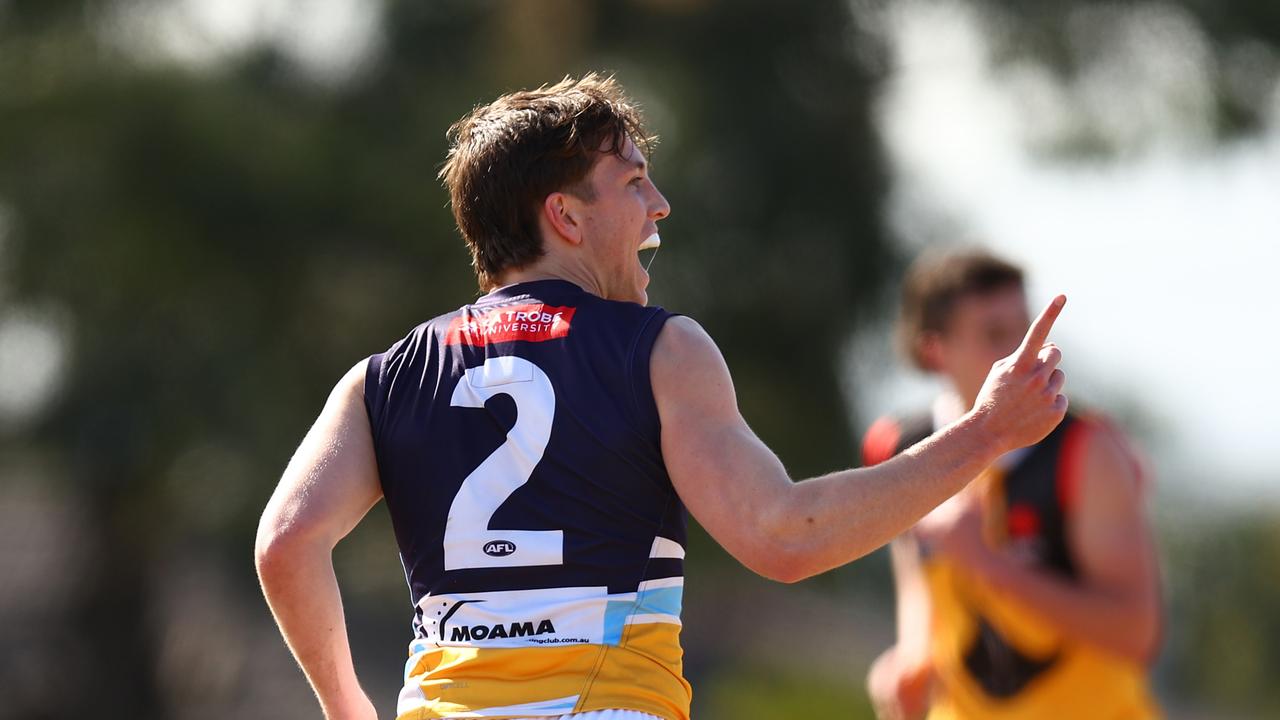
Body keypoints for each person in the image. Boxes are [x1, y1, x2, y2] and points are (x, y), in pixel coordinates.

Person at [254, 75, 1069, 720]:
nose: (659, 205)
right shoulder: (660, 349)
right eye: (635, 182)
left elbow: (286, 543)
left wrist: (344, 704)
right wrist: (987, 431)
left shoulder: (382, 375)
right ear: (565, 217)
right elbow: (782, 536)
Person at [862, 248, 1162, 720]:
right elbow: (918, 582)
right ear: (935, 351)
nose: (1025, 354)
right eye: (995, 335)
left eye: (1028, 332)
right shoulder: (896, 444)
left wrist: (990, 565)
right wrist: (908, 658)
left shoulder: (1088, 450)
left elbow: (1136, 633)